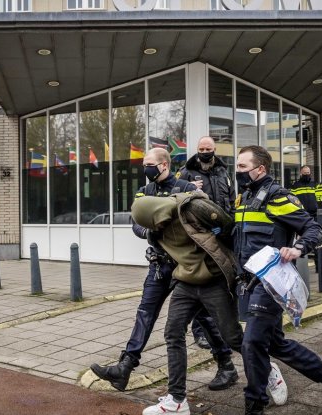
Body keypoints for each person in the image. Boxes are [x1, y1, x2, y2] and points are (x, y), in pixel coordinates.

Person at [90, 148, 239, 393]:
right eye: (144, 164)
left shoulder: (188, 188)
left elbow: (205, 220)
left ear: (164, 165)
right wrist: (150, 232)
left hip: (187, 266)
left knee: (203, 318)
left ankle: (226, 365)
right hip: (159, 265)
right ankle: (125, 367)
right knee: (145, 313)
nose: (145, 168)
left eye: (149, 163)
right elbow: (136, 224)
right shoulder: (144, 192)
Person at [233, 146, 322, 415]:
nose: (237, 171)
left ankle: (254, 404)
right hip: (247, 283)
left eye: (242, 166)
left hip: (269, 284)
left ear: (259, 169)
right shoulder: (245, 197)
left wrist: (297, 249)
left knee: (251, 343)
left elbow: (313, 227)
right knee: (274, 343)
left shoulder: (277, 197)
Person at [133, 192, 245, 415]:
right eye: (152, 226)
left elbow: (231, 229)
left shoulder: (194, 209)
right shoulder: (156, 231)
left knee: (233, 337)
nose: (157, 227)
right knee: (173, 333)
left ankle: (267, 371)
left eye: (155, 222)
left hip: (214, 280)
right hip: (185, 282)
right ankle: (177, 400)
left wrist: (238, 272)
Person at [176, 136, 235, 350]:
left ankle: (218, 330)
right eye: (201, 148)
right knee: (201, 282)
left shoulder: (222, 171)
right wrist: (188, 187)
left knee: (219, 284)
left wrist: (230, 226)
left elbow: (230, 199)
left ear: (214, 149)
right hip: (199, 238)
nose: (204, 151)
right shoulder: (186, 171)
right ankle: (199, 332)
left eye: (208, 148)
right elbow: (175, 200)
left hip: (222, 233)